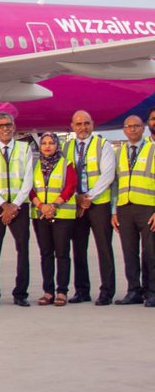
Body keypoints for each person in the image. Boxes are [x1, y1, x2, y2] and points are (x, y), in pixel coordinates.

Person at [0, 111, 33, 307]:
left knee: (23, 250)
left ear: (14, 127)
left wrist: (14, 205)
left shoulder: (24, 148)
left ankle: (21, 293)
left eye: (8, 125)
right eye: (1, 125)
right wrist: (3, 204)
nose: (5, 129)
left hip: (19, 206)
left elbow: (28, 179)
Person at [64, 110, 117, 304]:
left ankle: (107, 291)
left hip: (98, 205)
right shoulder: (67, 147)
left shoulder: (103, 145)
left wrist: (89, 197)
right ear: (72, 126)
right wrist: (77, 198)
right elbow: (64, 176)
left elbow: (107, 175)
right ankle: (82, 290)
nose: (82, 127)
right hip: (77, 205)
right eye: (78, 124)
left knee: (104, 248)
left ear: (92, 124)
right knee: (78, 249)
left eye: (86, 123)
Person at [29, 132, 78, 306]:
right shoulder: (34, 164)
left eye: (51, 143)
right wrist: (41, 206)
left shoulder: (66, 163)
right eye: (44, 143)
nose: (47, 146)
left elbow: (70, 186)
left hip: (62, 214)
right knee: (46, 253)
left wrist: (53, 206)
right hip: (40, 214)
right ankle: (48, 291)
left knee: (62, 253)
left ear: (57, 145)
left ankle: (62, 292)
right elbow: (29, 187)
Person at [111, 115, 155, 306]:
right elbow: (115, 184)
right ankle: (134, 291)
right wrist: (114, 211)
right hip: (125, 208)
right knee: (129, 252)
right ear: (124, 130)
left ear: (143, 128)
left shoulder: (152, 149)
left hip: (148, 207)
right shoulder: (119, 152)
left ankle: (152, 291)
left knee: (151, 253)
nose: (132, 129)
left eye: (136, 126)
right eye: (128, 126)